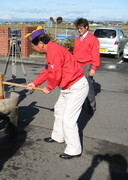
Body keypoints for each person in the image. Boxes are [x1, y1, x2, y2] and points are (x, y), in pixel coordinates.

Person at [25, 26, 89, 159]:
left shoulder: (54, 51)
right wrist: (35, 83)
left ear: (41, 44)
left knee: (68, 119)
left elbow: (55, 74)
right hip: (67, 88)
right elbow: (47, 71)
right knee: (59, 110)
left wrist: (49, 87)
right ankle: (58, 136)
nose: (34, 49)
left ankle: (74, 149)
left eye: (34, 46)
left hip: (76, 87)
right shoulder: (50, 51)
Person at [73, 18, 100, 114]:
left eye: (81, 28)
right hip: (77, 65)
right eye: (78, 28)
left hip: (87, 65)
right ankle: (80, 105)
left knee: (88, 87)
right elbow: (75, 53)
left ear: (86, 27)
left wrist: (93, 68)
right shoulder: (77, 39)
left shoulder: (93, 39)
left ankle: (91, 106)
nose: (79, 30)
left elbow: (95, 55)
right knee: (78, 86)